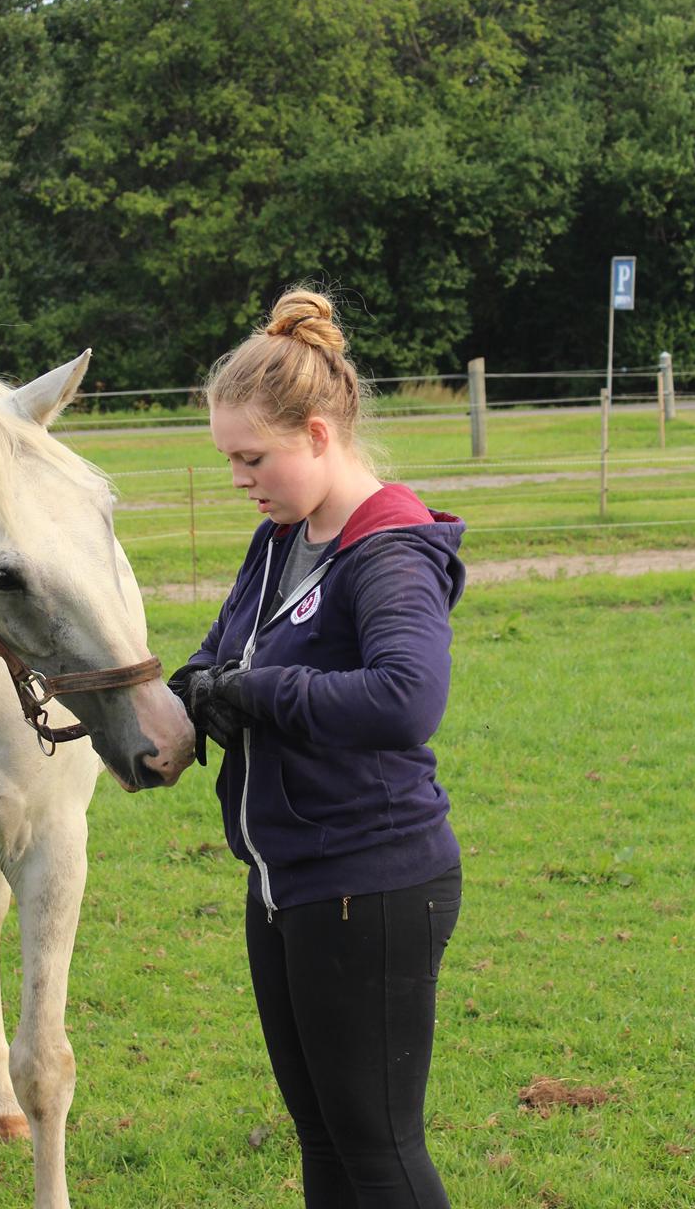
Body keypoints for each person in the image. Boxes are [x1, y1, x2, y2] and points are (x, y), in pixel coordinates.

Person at [169, 289, 465, 1209]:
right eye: (229, 459)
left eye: (252, 456)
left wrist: (252, 694)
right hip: (286, 883)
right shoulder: (279, 543)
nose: (238, 477)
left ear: (318, 435)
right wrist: (153, 704)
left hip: (368, 883)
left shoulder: (389, 551)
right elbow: (216, 659)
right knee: (326, 1143)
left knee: (377, 1151)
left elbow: (405, 698)